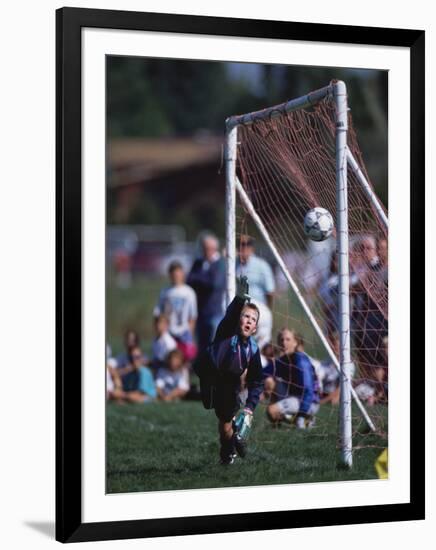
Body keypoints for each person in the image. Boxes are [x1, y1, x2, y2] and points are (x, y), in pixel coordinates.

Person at [194, 276, 264, 465]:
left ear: (255, 328)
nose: (248, 321)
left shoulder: (254, 349)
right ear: (238, 320)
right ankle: (233, 437)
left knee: (225, 422)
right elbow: (231, 315)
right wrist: (240, 299)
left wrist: (249, 408)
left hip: (229, 381)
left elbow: (257, 381)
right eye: (245, 316)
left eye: (253, 319)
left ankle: (228, 449)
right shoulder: (227, 331)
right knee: (214, 409)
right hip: (209, 373)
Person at [266, 328, 320, 429]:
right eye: (281, 340)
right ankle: (295, 418)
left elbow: (308, 391)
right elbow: (262, 373)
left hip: (308, 402)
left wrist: (301, 415)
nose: (284, 343)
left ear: (295, 343)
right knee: (270, 381)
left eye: (288, 339)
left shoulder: (301, 361)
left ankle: (303, 419)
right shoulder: (282, 360)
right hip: (292, 396)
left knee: (271, 411)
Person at [187, 233, 226, 352]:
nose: (206, 251)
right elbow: (189, 280)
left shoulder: (220, 264)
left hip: (214, 312)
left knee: (213, 345)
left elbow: (214, 284)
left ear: (215, 249)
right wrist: (203, 279)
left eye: (209, 248)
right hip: (200, 312)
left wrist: (199, 279)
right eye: (204, 248)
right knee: (202, 346)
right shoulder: (198, 263)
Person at [236, 235, 275, 348]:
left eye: (246, 244)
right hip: (239, 310)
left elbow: (270, 292)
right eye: (240, 244)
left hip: (258, 309)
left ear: (252, 248)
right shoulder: (233, 265)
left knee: (261, 346)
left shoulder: (262, 266)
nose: (243, 247)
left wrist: (267, 310)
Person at [154, 260, 198, 361]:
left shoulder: (189, 292)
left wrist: (189, 334)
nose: (176, 277)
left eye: (178, 274)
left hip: (184, 332)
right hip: (169, 332)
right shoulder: (165, 292)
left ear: (182, 274)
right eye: (173, 274)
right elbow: (158, 313)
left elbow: (192, 316)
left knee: (184, 361)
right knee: (169, 360)